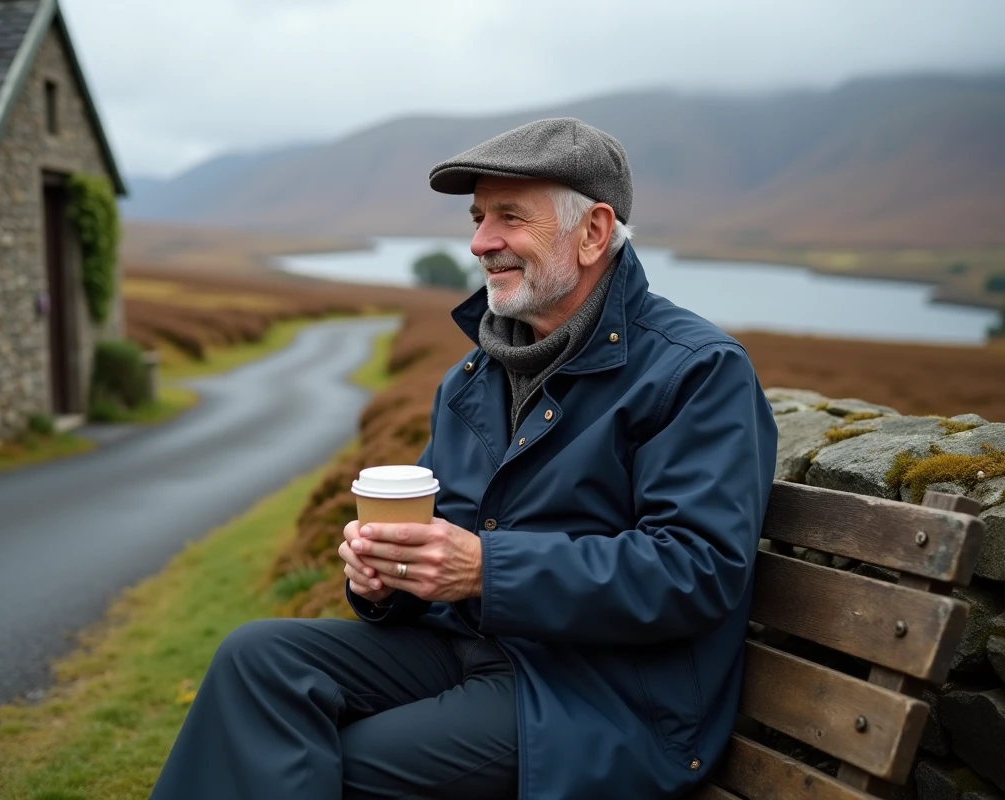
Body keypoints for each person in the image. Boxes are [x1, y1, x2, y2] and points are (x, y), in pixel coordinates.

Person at [148, 117, 779, 800]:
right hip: (472, 651)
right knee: (256, 658)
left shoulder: (697, 371)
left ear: (594, 232)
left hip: (602, 697)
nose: (481, 242)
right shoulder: (477, 374)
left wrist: (486, 569)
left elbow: (697, 569)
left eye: (510, 216)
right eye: (479, 217)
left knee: (339, 762)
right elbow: (442, 533)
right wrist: (382, 579)